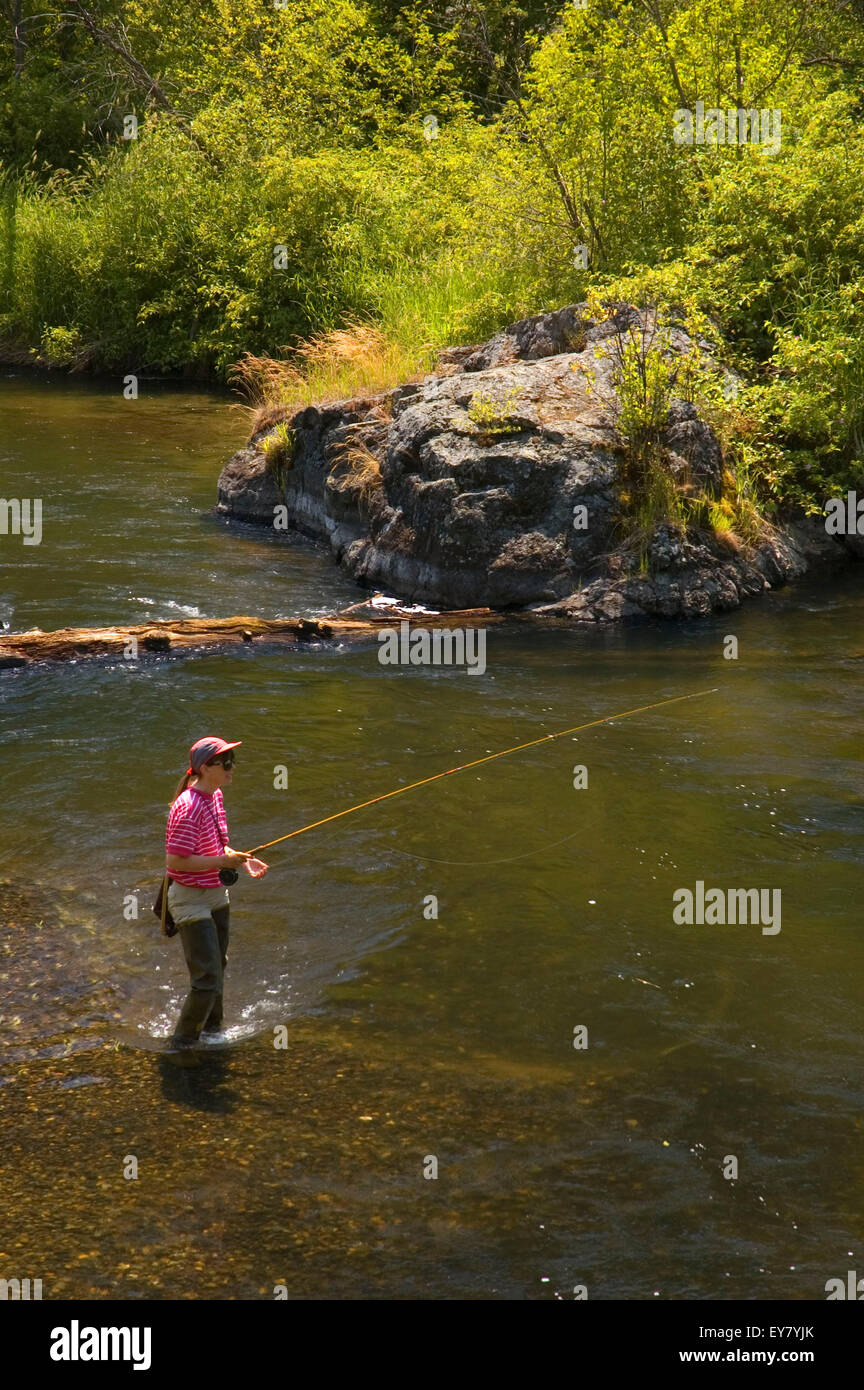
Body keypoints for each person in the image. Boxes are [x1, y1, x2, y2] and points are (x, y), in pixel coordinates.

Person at [165, 736, 268, 1048]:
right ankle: (182, 1044)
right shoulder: (188, 806)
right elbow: (175, 859)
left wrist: (240, 860)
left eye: (232, 761)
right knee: (207, 978)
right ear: (206, 767)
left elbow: (217, 845)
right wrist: (223, 861)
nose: (231, 768)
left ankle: (212, 1034)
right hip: (189, 897)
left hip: (215, 892)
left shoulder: (216, 796)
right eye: (226, 762)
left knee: (218, 966)